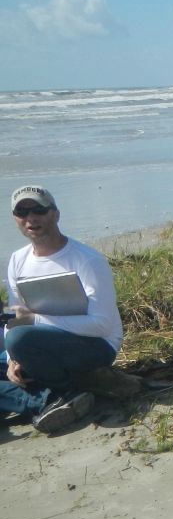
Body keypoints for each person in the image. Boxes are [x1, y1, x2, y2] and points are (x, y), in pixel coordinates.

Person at [1, 185, 123, 433]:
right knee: (14, 338)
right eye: (22, 212)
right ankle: (44, 400)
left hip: (95, 345)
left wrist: (37, 322)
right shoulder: (18, 259)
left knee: (19, 337)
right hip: (38, 343)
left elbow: (103, 325)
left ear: (55, 214)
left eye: (39, 210)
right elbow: (17, 314)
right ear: (15, 219)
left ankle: (61, 389)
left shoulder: (86, 259)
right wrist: (14, 360)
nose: (31, 218)